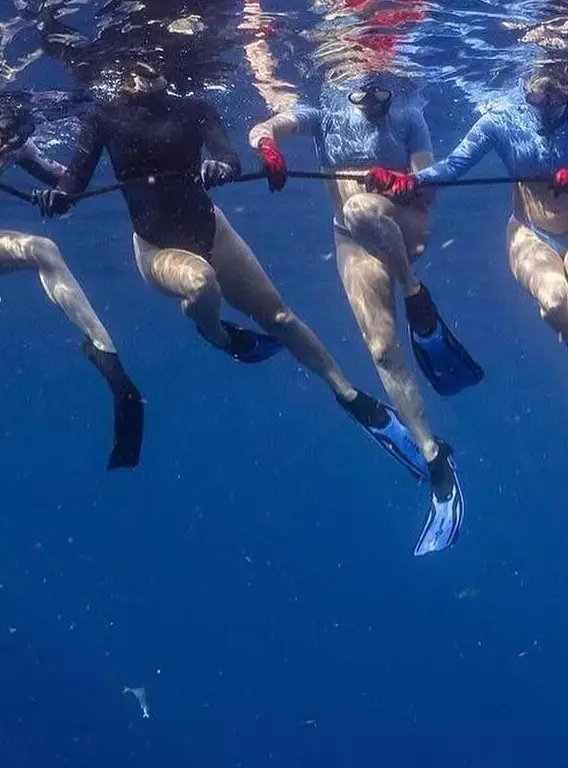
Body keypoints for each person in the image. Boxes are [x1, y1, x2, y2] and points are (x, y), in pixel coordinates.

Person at [34, 61, 446, 549]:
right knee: (200, 284)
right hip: (158, 249)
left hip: (214, 229)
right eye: (144, 65)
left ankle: (349, 396)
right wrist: (56, 199)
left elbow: (227, 156)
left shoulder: (196, 107)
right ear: (126, 70)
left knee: (280, 318)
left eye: (162, 61)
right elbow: (74, 184)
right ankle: (219, 335)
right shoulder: (104, 116)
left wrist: (225, 166)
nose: (154, 73)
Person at [368, 63, 568, 486]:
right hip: (530, 235)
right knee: (555, 303)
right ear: (525, 93)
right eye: (538, 99)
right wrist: (409, 181)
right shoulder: (501, 120)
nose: (548, 110)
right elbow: (455, 165)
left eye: (558, 101)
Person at [248, 75, 476, 555]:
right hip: (351, 236)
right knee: (380, 349)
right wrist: (268, 144)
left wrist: (405, 183)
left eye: (381, 93)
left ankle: (415, 295)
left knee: (360, 207)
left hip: (402, 222)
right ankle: (434, 457)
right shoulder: (325, 114)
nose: (373, 101)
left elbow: (428, 187)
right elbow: (271, 124)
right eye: (362, 93)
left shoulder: (409, 116)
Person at [0, 91, 143, 468]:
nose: (8, 141)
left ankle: (111, 365)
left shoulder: (19, 146)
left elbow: (67, 182)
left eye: (14, 133)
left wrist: (59, 196)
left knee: (42, 249)